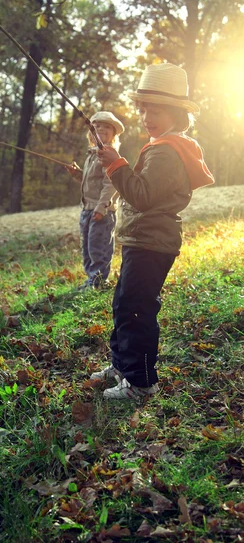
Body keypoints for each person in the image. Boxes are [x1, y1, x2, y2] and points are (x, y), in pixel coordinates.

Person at [92, 63, 214, 400]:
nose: (147, 115)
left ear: (176, 112)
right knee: (124, 304)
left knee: (137, 310)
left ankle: (141, 383)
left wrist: (116, 164)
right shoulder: (162, 144)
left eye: (156, 109)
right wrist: (116, 164)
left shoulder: (166, 151)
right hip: (143, 241)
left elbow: (142, 195)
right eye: (143, 107)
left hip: (151, 244)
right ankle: (122, 366)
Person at [66, 111, 125, 290]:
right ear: (90, 133)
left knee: (98, 248)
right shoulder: (91, 154)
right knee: (88, 247)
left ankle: (99, 281)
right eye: (96, 126)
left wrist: (101, 207)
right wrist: (77, 174)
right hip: (87, 209)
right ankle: (92, 279)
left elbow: (111, 183)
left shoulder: (109, 154)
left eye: (107, 127)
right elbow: (92, 180)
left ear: (114, 134)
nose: (101, 129)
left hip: (102, 212)